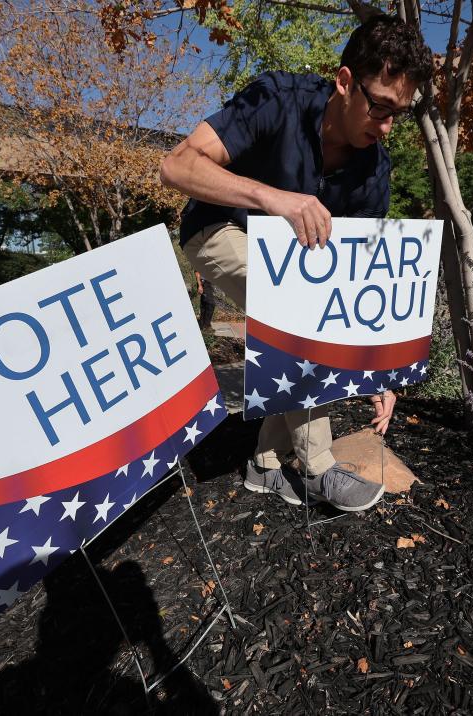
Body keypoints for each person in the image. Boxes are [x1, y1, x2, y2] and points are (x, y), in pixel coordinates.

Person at [161, 14, 433, 512]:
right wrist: (273, 199)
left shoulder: (375, 170)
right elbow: (176, 164)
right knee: (298, 309)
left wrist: (380, 373)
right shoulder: (276, 98)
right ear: (345, 82)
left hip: (292, 264)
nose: (387, 126)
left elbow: (355, 279)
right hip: (218, 229)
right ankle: (319, 466)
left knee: (306, 307)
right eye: (379, 107)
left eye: (401, 112)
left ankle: (264, 465)